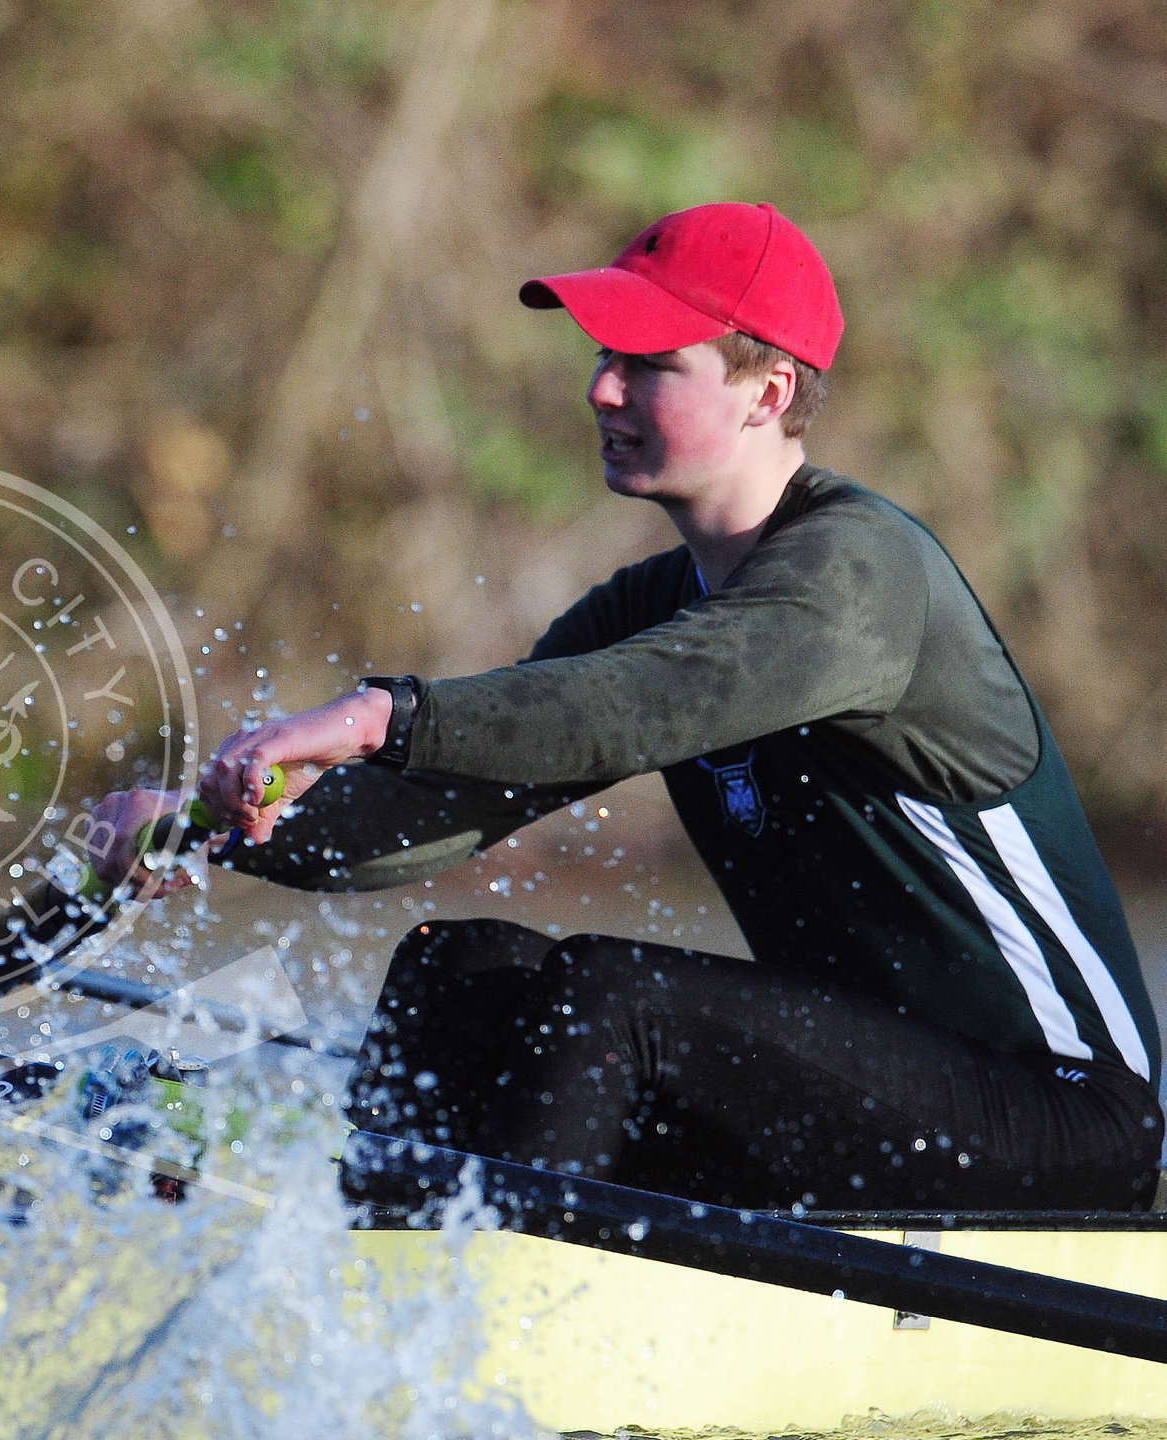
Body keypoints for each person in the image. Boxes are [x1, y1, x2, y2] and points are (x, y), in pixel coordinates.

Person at [99, 201, 1161, 1211]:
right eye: (603, 361)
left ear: (768, 392)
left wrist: (383, 713)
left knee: (611, 993)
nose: (603, 391)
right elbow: (445, 796)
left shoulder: (860, 578)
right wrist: (201, 833)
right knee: (457, 967)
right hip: (864, 1107)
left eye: (648, 364)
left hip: (1061, 1121)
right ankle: (385, 1269)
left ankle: (487, 1306)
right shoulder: (652, 605)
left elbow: (626, 705)